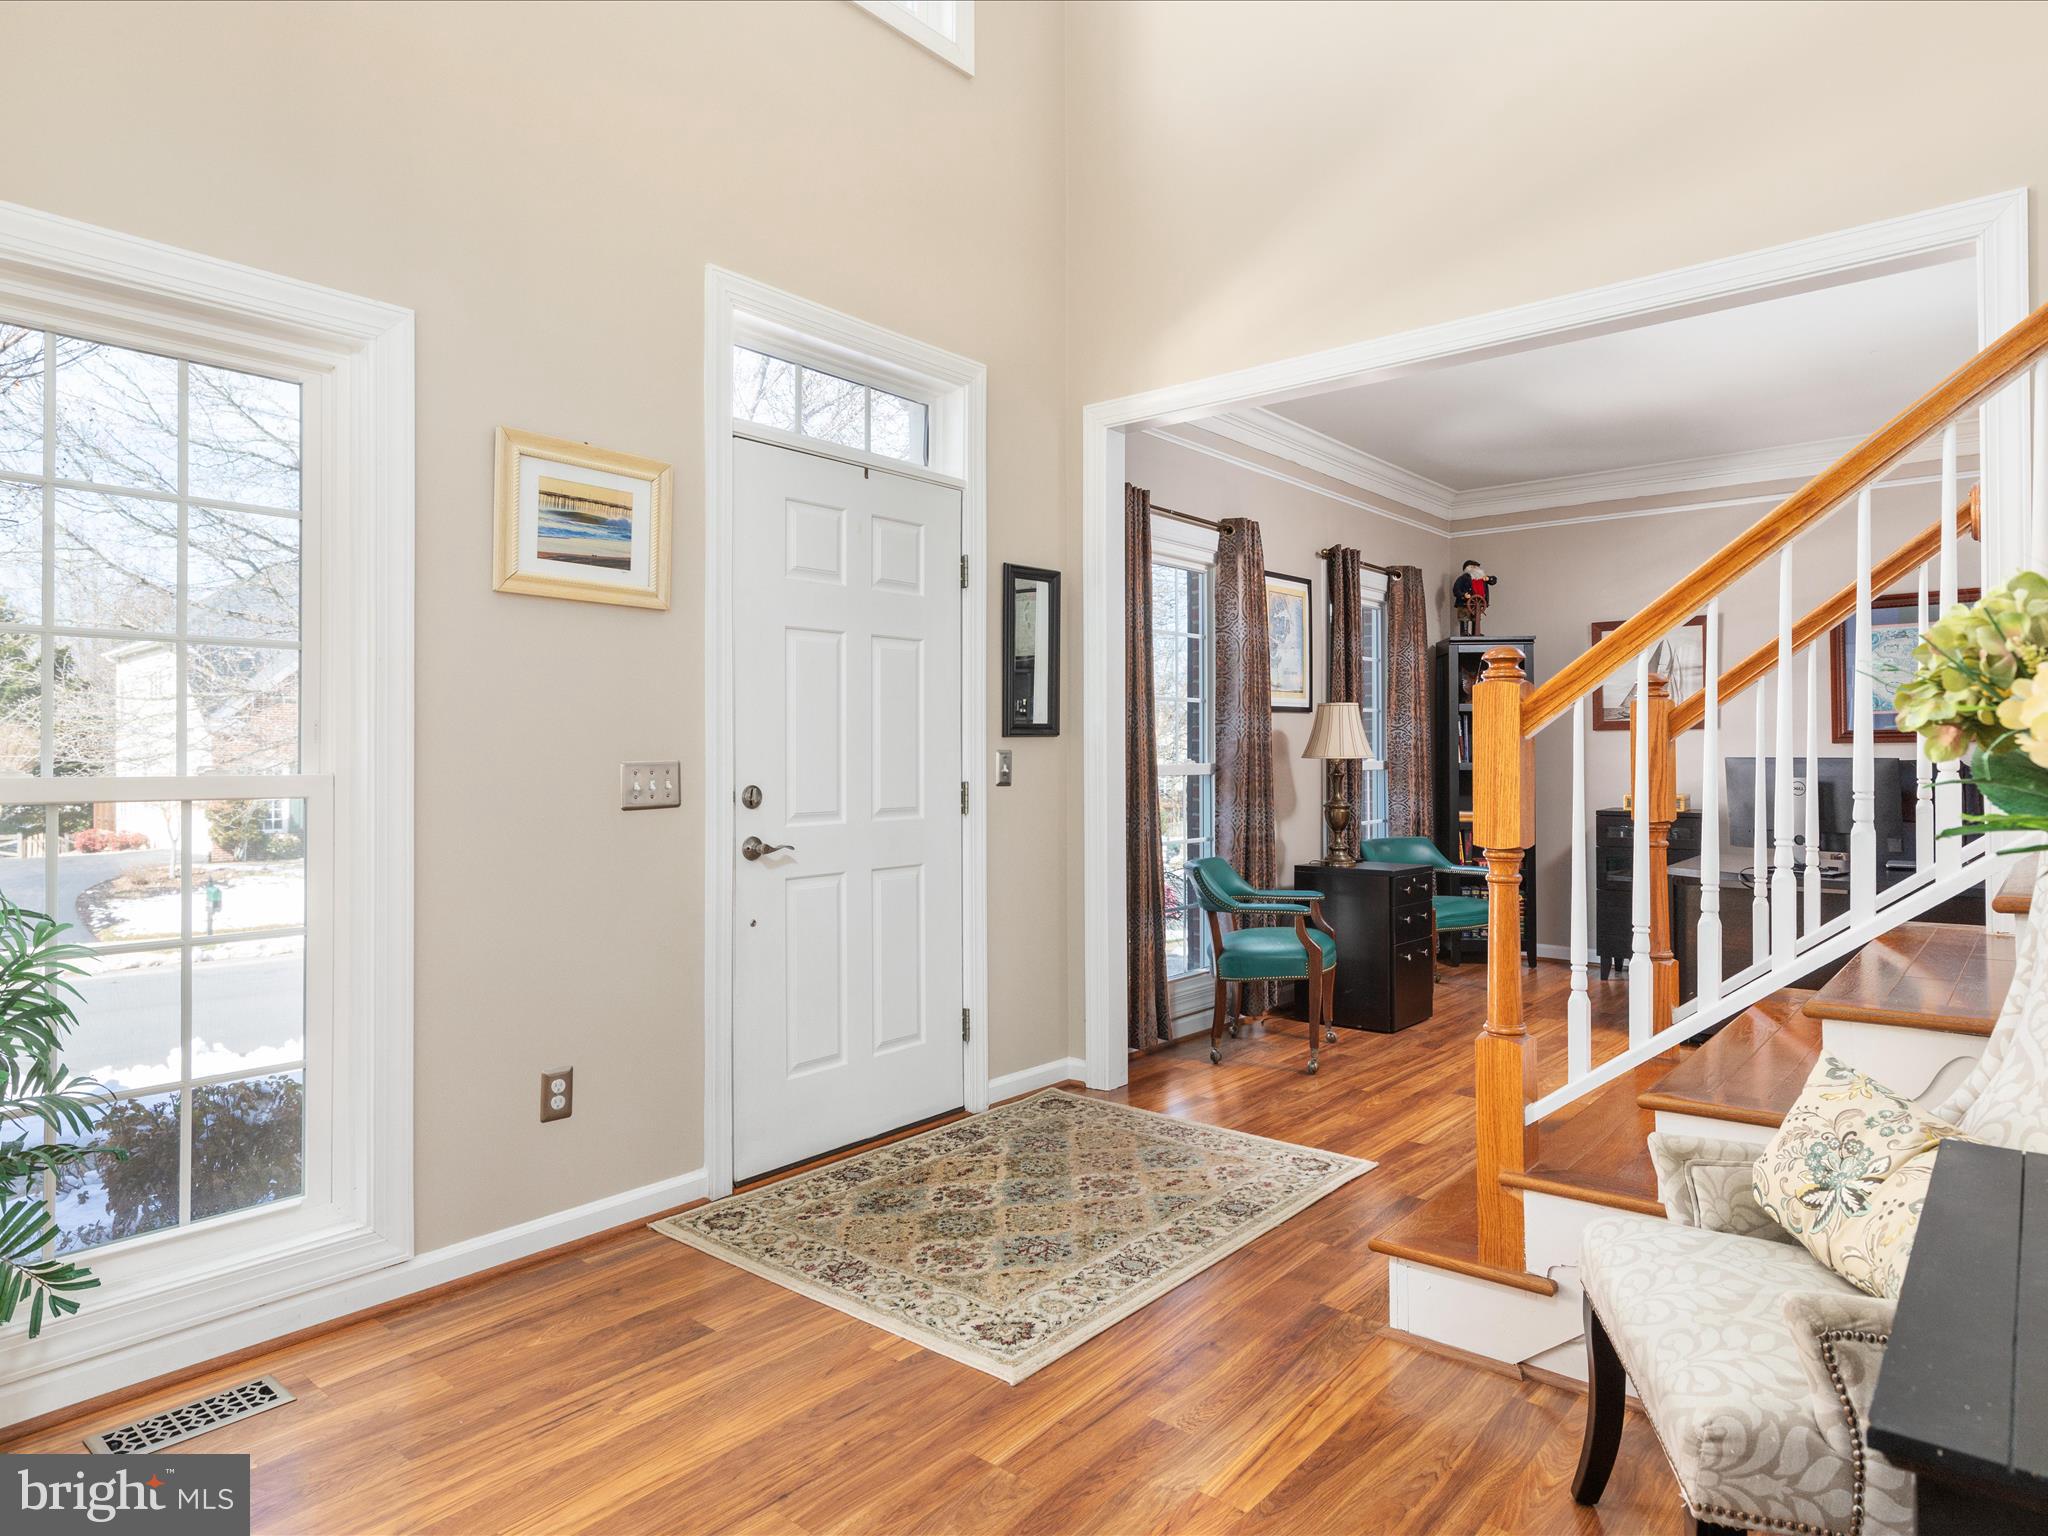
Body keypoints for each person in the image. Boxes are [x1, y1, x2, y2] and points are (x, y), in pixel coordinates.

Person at [1452, 559, 1498, 636]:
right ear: (1468, 568)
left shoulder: (1483, 578)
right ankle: (1464, 632)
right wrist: (1463, 595)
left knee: (1476, 618)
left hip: (1478, 603)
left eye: (1476, 567)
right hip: (1465, 603)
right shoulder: (1463, 578)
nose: (1476, 568)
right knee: (1464, 617)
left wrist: (1489, 578)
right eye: (1473, 567)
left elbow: (1494, 580)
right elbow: (1456, 589)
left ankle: (1476, 633)